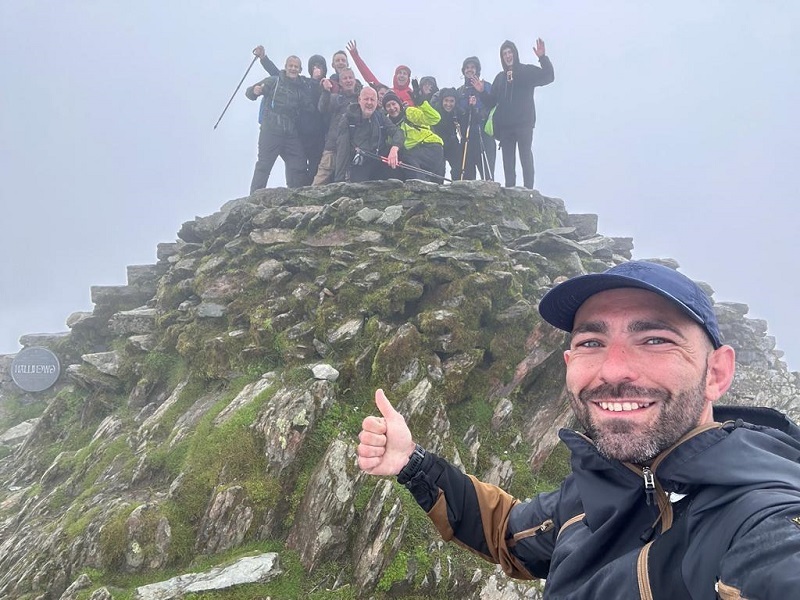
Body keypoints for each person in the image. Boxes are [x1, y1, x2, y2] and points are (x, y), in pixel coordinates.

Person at [357, 260, 800, 599]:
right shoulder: (596, 486)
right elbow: (506, 531)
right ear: (570, 365)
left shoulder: (762, 515)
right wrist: (412, 463)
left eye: (655, 340)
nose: (613, 370)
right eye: (591, 342)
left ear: (716, 373)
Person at [487, 39, 554, 189]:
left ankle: (529, 190)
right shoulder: (500, 78)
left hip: (524, 123)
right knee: (508, 161)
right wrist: (480, 92)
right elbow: (491, 102)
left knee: (525, 156)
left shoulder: (526, 71)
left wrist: (542, 58)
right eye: (504, 53)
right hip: (505, 127)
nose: (508, 56)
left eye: (510, 52)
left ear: (515, 54)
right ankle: (510, 190)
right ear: (501, 57)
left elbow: (549, 76)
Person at [245, 55, 309, 192]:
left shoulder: (301, 88)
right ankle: (254, 198)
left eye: (296, 67)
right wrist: (254, 91)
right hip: (270, 130)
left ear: (300, 69)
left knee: (298, 163)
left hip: (290, 132)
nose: (293, 68)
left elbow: (309, 107)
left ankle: (295, 194)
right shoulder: (273, 81)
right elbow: (249, 92)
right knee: (264, 165)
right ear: (285, 67)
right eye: (290, 66)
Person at [334, 87, 403, 183]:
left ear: (377, 102)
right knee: (359, 188)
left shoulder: (380, 117)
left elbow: (397, 132)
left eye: (372, 100)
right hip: (360, 164)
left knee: (400, 158)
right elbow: (342, 151)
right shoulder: (348, 120)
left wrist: (395, 148)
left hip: (379, 161)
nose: (369, 103)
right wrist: (339, 181)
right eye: (366, 99)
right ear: (359, 100)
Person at [382, 91, 445, 183]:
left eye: (393, 104)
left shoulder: (409, 112)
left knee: (408, 159)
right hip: (415, 155)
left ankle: (418, 188)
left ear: (399, 104)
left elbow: (435, 118)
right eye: (388, 106)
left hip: (431, 147)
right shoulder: (389, 124)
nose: (392, 108)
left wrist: (421, 103)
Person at [313, 67, 359, 185]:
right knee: (320, 179)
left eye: (350, 78)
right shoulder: (335, 98)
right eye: (345, 78)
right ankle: (306, 203)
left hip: (352, 148)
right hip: (332, 146)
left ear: (355, 80)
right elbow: (322, 108)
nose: (348, 81)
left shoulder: (360, 100)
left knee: (349, 182)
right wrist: (326, 91)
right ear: (340, 82)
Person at [457, 56, 496, 181]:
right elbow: (457, 112)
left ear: (477, 70)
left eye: (473, 67)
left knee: (487, 175)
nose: (470, 70)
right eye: (467, 68)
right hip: (467, 136)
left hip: (484, 134)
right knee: (467, 177)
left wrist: (479, 111)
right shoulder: (460, 91)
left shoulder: (487, 86)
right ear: (463, 71)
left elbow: (493, 104)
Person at [346, 40, 415, 106]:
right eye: (399, 73)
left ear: (408, 78)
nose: (402, 75)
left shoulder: (413, 94)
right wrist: (355, 56)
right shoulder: (387, 91)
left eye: (405, 74)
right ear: (395, 76)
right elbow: (369, 77)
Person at [432, 88, 463, 181]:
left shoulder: (458, 111)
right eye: (446, 100)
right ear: (442, 100)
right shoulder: (435, 110)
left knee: (458, 166)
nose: (448, 104)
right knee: (439, 170)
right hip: (437, 143)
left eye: (451, 101)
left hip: (452, 141)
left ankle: (457, 187)